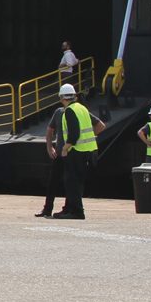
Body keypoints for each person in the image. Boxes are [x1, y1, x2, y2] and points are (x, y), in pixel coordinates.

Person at [54, 82, 103, 219]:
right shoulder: (81, 108)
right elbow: (98, 126)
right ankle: (69, 208)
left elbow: (74, 133)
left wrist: (65, 147)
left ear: (62, 98)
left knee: (71, 181)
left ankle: (76, 211)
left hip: (77, 151)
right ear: (74, 96)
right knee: (76, 181)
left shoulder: (69, 111)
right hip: (89, 151)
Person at [35, 100, 66, 218]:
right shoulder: (59, 112)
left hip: (72, 154)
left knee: (69, 183)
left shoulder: (79, 112)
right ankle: (47, 209)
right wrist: (49, 147)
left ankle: (68, 209)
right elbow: (50, 130)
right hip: (60, 153)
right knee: (53, 182)